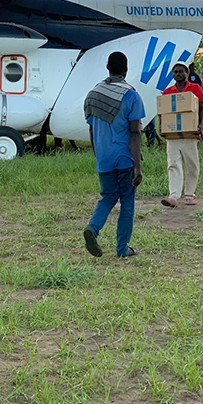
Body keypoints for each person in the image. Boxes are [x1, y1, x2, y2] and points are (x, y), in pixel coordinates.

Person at [82, 51, 144, 259]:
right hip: (125, 158)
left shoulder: (93, 94)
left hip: (104, 158)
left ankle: (93, 228)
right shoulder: (131, 95)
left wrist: (98, 155)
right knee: (127, 201)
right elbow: (134, 132)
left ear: (107, 68)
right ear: (126, 69)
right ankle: (122, 249)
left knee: (108, 197)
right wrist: (137, 165)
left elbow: (92, 129)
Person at [161, 62, 203, 207]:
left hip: (190, 134)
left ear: (187, 73)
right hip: (172, 135)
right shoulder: (168, 92)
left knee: (192, 165)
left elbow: (201, 107)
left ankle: (189, 195)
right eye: (176, 72)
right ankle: (173, 196)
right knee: (173, 164)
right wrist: (162, 127)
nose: (178, 74)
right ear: (172, 74)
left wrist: (200, 124)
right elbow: (163, 112)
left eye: (181, 72)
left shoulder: (195, 88)